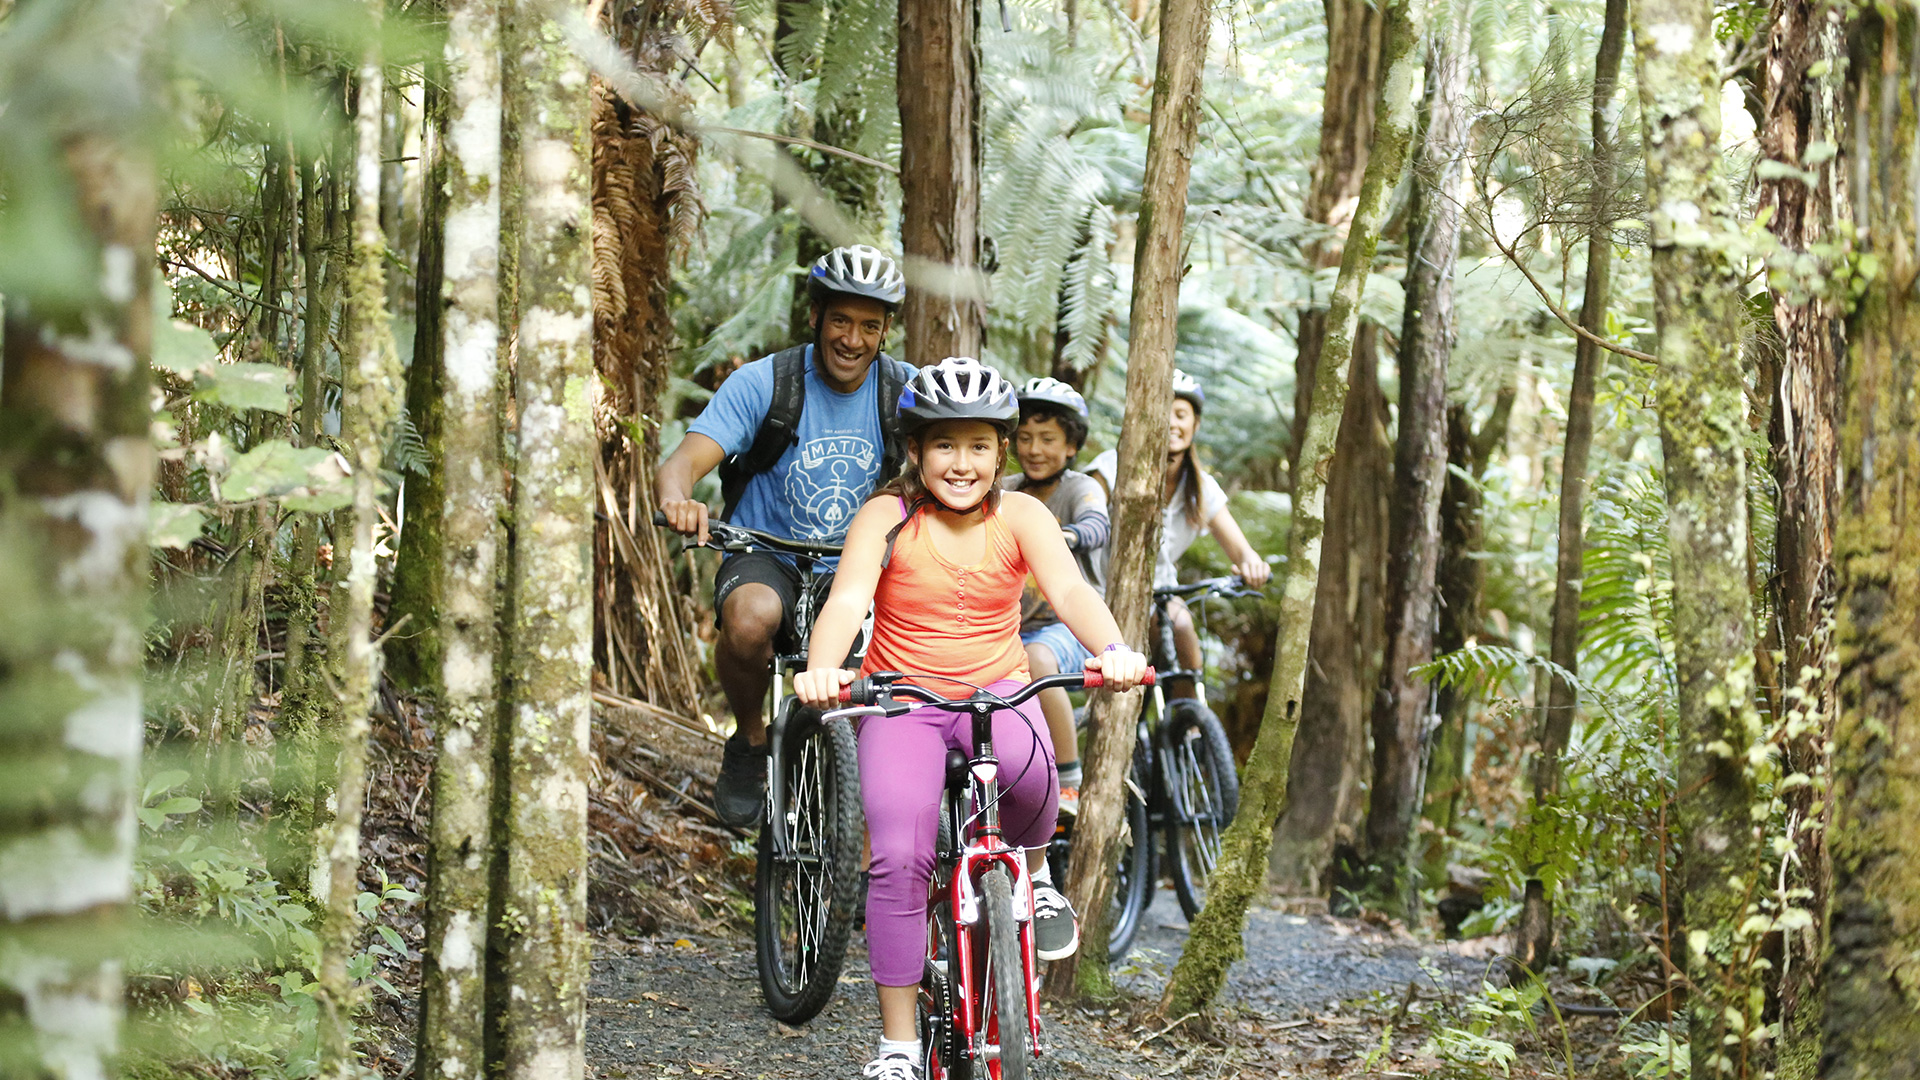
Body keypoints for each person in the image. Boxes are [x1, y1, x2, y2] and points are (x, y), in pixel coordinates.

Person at [792, 357, 1149, 1080]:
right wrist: (824, 667)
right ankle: (896, 1047)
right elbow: (848, 600)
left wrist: (1113, 649)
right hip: (903, 701)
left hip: (997, 693)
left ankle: (1035, 880)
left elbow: (1070, 593)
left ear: (1001, 453)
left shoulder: (1022, 515)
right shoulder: (886, 518)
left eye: (979, 446)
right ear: (917, 451)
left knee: (1034, 789)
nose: (962, 463)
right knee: (898, 858)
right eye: (945, 445)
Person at [656, 244, 912, 827]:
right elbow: (681, 464)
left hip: (853, 565)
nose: (853, 339)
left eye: (869, 326)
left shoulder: (904, 394)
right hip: (763, 550)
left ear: (885, 330)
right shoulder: (765, 384)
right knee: (750, 621)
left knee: (865, 674)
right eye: (841, 321)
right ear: (816, 316)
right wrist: (678, 499)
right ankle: (749, 742)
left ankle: (849, 824)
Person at [1086, 369, 1271, 690]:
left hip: (1161, 594)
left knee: (1183, 632)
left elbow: (1241, 550)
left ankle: (1190, 728)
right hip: (1100, 595)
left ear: (1195, 425)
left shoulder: (1201, 488)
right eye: (1163, 412)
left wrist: (1252, 564)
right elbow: (1084, 508)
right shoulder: (1110, 467)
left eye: (1181, 414)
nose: (1172, 422)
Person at [1000, 377, 1107, 819]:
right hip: (1010, 628)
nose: (1034, 449)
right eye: (1024, 438)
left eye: (1047, 439)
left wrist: (1065, 534)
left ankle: (1068, 779)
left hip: (1066, 626)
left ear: (1071, 446)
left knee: (1038, 661)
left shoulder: (1079, 487)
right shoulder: (1005, 488)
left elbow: (1098, 524)